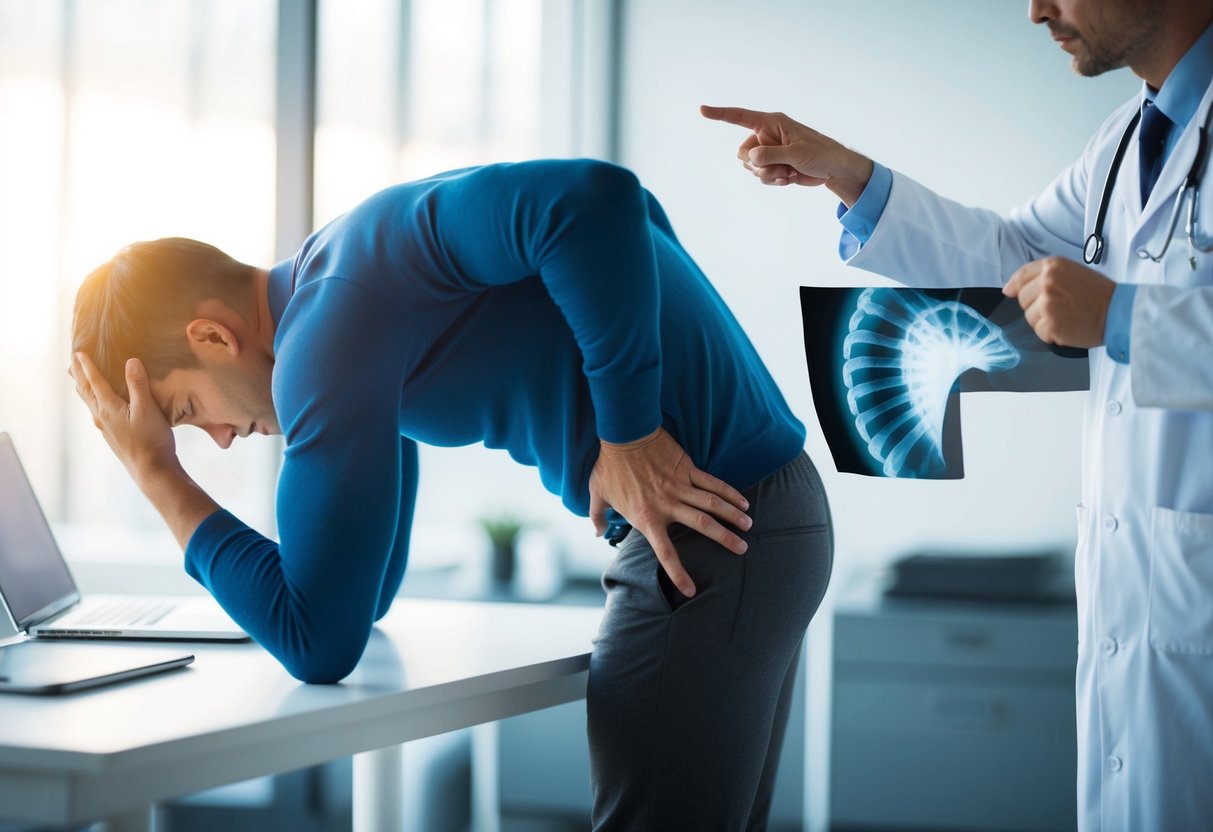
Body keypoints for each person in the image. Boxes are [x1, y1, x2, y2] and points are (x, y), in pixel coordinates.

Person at [69, 158, 833, 830]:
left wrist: (160, 479)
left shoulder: (324, 329)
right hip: (753, 518)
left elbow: (595, 198)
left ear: (211, 338)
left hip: (711, 535)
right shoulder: (342, 283)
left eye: (187, 413)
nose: (222, 438)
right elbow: (358, 602)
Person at [701, 0, 1213, 828]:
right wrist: (847, 174)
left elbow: (1094, 302)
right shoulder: (1125, 140)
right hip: (1146, 604)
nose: (1035, 7)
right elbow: (1011, 259)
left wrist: (1122, 320)